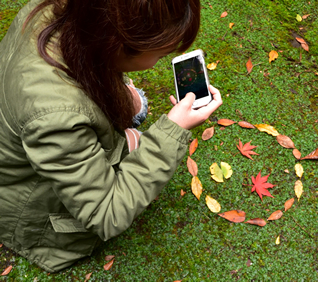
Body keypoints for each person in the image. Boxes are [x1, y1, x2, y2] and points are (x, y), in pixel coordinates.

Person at [0, 0, 222, 273]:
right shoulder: (55, 118)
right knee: (138, 136)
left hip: (34, 134)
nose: (160, 62)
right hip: (32, 210)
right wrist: (173, 131)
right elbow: (106, 214)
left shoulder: (59, 10)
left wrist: (118, 91)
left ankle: (122, 136)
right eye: (161, 54)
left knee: (135, 107)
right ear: (115, 45)